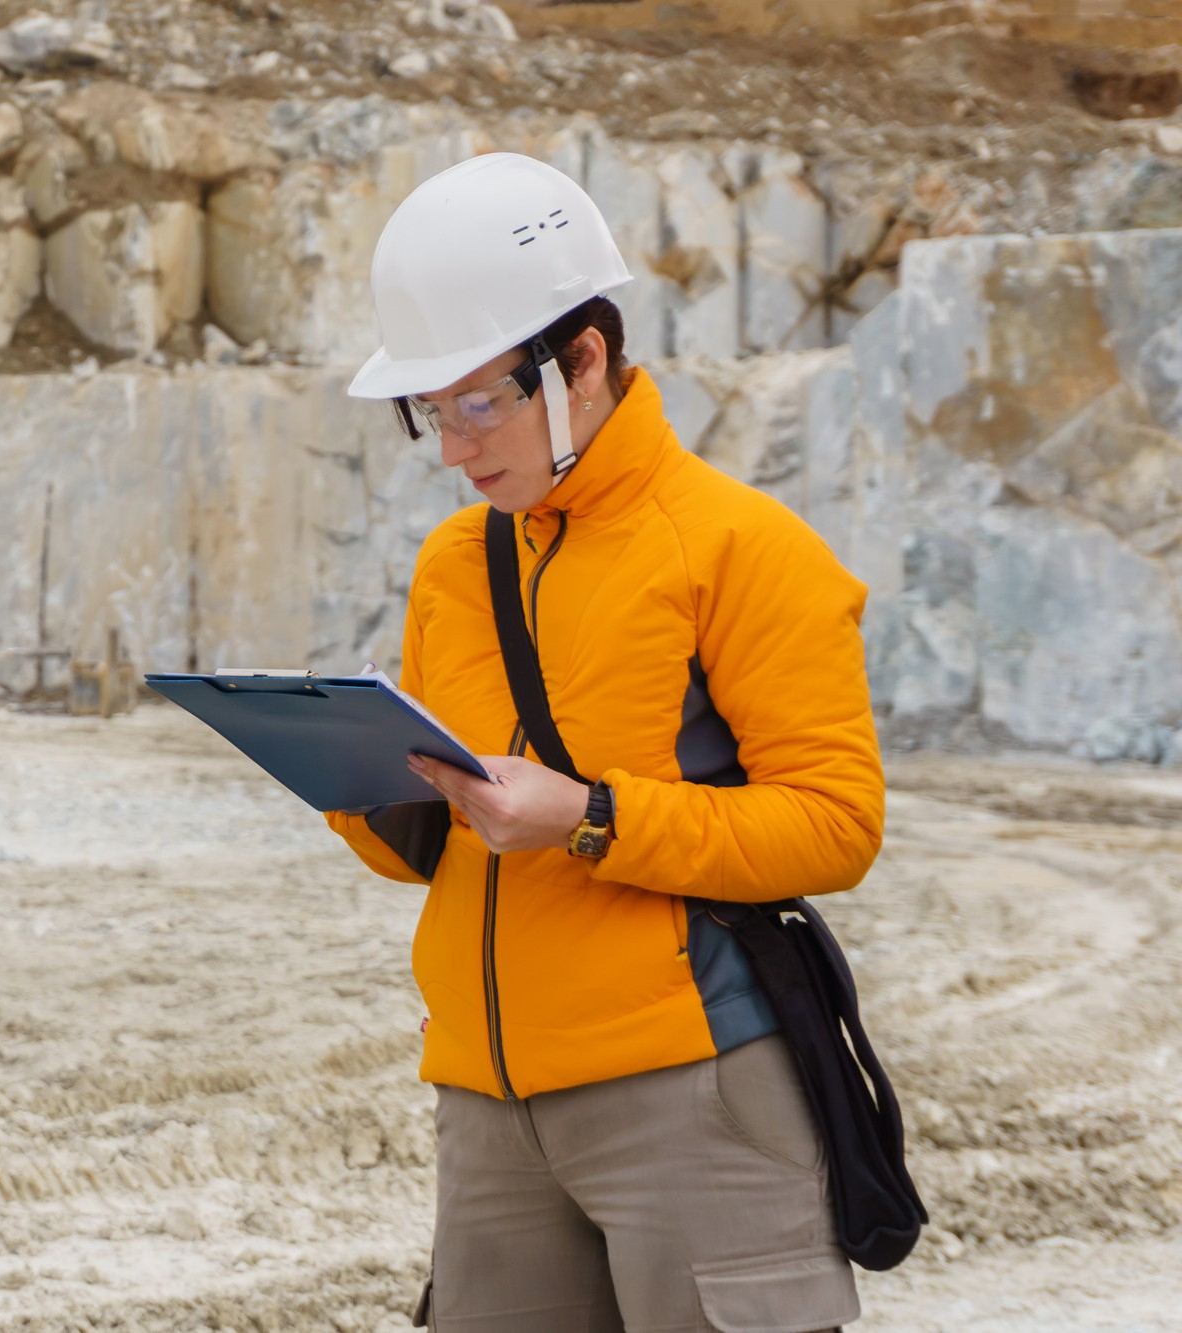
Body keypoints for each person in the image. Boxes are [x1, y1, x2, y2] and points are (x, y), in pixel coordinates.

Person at [326, 153, 886, 1332]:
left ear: (581, 361)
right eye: (432, 411)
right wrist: (349, 780)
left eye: (481, 401)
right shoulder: (455, 564)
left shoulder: (739, 548)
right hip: (484, 1102)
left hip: (690, 1092)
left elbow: (833, 826)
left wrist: (586, 817)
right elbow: (431, 847)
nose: (455, 448)